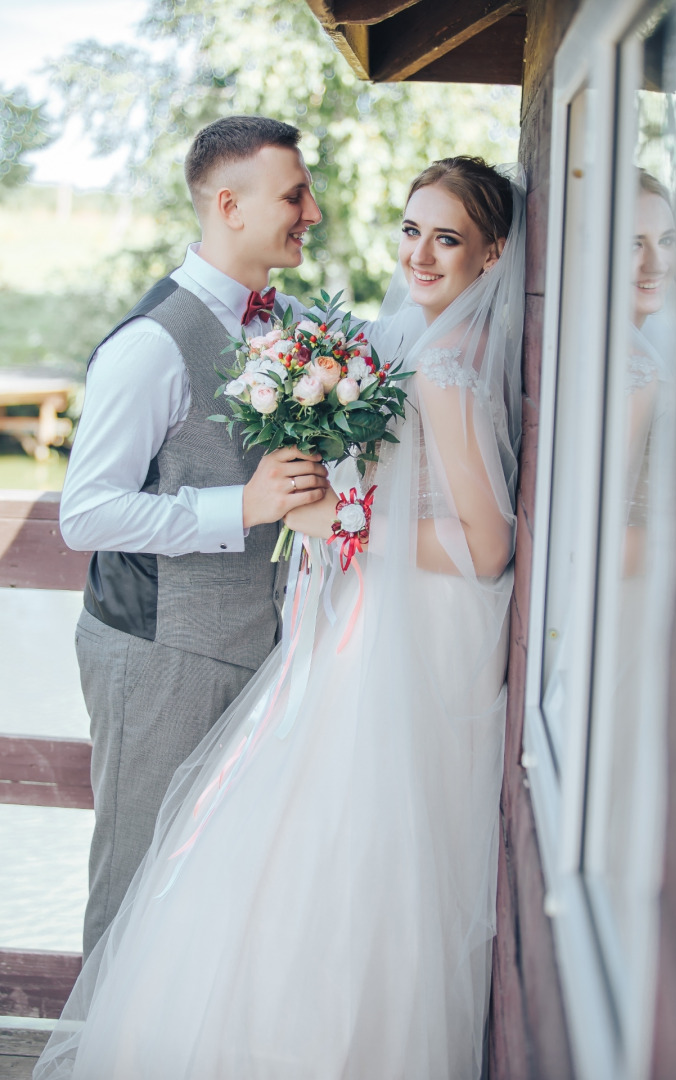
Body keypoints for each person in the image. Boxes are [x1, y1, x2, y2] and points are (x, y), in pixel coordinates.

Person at [36, 156, 525, 1080]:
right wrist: (291, 511)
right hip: (199, 639)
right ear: (229, 205)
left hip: (401, 631)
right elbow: (84, 514)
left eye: (446, 237)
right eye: (411, 230)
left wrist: (328, 518)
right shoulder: (173, 342)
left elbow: (485, 543)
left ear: (491, 256)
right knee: (185, 862)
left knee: (346, 846)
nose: (418, 253)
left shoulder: (441, 366)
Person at [60, 115, 330, 958]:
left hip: (254, 651)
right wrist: (239, 508)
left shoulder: (284, 324)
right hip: (157, 655)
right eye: (295, 194)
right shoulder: (150, 347)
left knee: (214, 902)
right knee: (135, 893)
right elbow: (86, 512)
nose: (312, 211)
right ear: (229, 205)